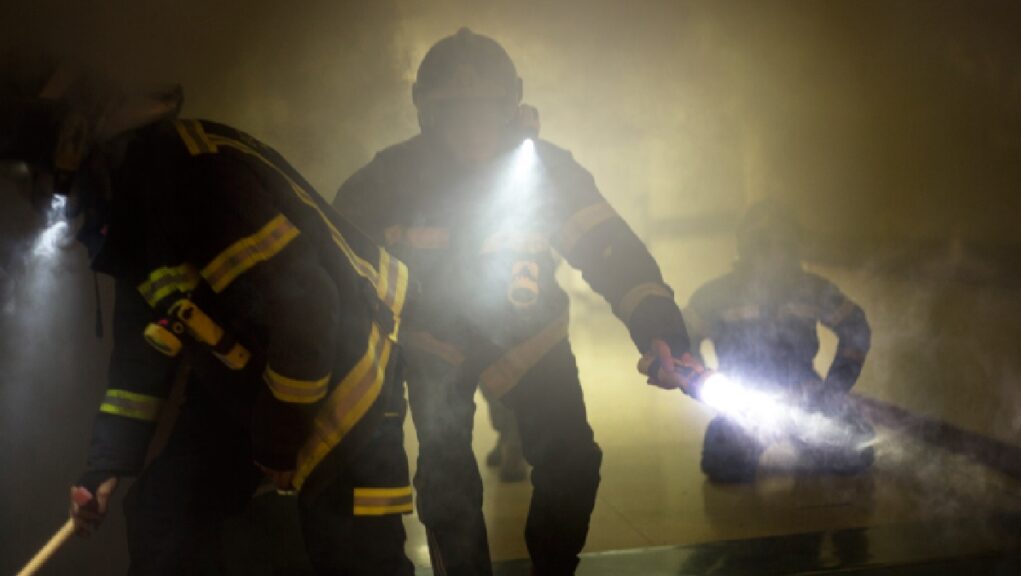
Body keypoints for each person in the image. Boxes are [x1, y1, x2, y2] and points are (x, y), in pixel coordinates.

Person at [0, 55, 415, 574]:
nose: (33, 194)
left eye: (35, 174)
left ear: (73, 143)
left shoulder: (192, 178)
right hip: (259, 381)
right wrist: (102, 469)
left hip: (350, 377)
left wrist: (278, 443)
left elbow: (308, 311)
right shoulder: (132, 208)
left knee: (357, 554)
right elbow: (142, 355)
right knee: (163, 512)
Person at [333, 28, 700, 575]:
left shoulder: (548, 170)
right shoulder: (385, 181)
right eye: (455, 109)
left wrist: (658, 327)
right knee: (446, 477)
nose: (473, 125)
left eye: (487, 108)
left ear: (514, 102)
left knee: (573, 464)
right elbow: (338, 278)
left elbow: (610, 251)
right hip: (437, 345)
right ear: (423, 109)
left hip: (532, 339)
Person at [684, 200, 875, 483]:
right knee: (725, 467)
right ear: (746, 246)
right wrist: (704, 385)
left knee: (855, 453)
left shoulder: (812, 289)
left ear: (796, 247)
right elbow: (682, 343)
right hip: (744, 407)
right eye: (763, 244)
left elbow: (855, 326)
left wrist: (834, 388)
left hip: (806, 399)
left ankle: (811, 444)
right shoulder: (716, 295)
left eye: (784, 244)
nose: (774, 254)